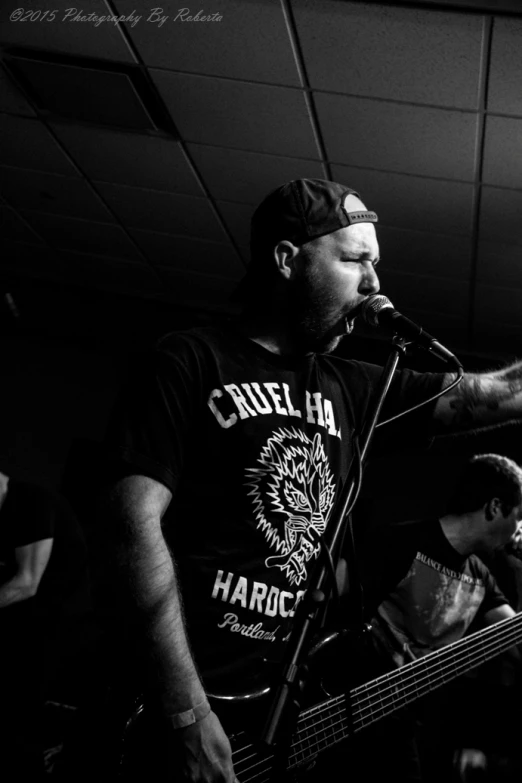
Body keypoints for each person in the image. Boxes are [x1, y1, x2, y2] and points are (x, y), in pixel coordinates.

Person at [104, 178, 522, 783]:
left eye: (375, 265)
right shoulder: (190, 360)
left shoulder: (353, 388)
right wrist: (184, 712)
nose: (375, 284)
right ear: (286, 260)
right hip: (166, 706)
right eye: (356, 260)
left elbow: (493, 395)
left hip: (265, 709)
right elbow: (129, 526)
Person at [355, 453, 522, 782]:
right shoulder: (399, 543)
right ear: (494, 508)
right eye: (520, 516)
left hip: (413, 726)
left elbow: (516, 643)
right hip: (358, 718)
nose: (519, 529)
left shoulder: (481, 576)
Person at [0, 469, 93, 781]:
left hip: (60, 627)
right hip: (31, 626)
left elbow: (26, 583)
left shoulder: (29, 501)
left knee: (19, 714)